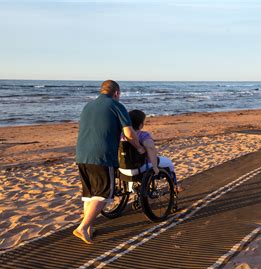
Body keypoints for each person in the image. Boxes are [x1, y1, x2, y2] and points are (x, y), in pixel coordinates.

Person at [74, 80, 145, 244]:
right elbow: (129, 132)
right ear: (117, 93)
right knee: (103, 194)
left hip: (82, 154)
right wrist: (139, 147)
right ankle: (83, 227)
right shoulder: (116, 105)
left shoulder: (88, 106)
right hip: (102, 156)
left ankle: (89, 229)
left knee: (89, 194)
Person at [119, 109, 181, 191]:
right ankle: (174, 186)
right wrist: (155, 167)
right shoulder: (143, 135)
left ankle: (132, 188)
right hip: (140, 168)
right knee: (169, 163)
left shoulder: (121, 135)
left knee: (131, 162)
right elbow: (151, 148)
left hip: (123, 168)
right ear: (141, 125)